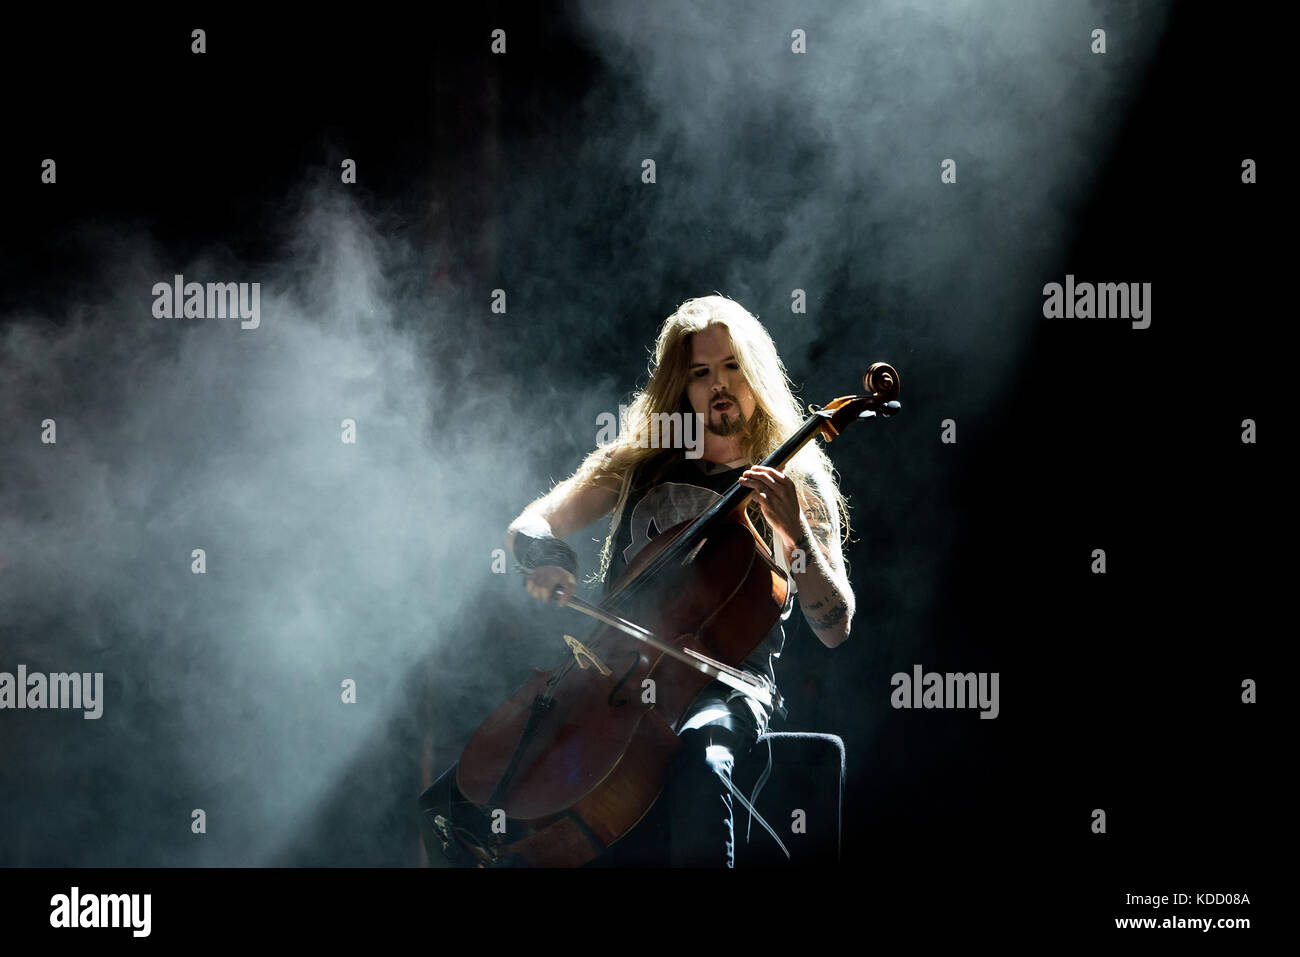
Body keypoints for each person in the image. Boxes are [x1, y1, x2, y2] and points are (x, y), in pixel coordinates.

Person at [505, 295, 855, 867]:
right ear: (682, 386)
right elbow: (533, 521)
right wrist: (547, 557)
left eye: (732, 367)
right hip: (609, 674)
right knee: (507, 772)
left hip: (726, 684)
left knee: (703, 753)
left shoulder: (794, 482)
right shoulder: (646, 461)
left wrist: (796, 532)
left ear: (756, 372)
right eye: (700, 373)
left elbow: (835, 624)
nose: (718, 385)